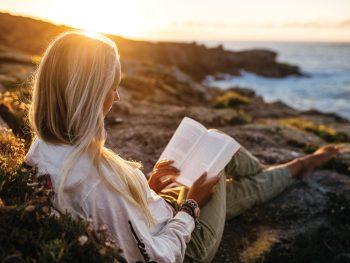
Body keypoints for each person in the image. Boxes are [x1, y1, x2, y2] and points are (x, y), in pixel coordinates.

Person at [24, 31, 339, 263]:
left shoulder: (46, 146)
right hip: (185, 248)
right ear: (88, 94)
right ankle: (284, 167)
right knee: (216, 154)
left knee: (231, 189)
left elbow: (117, 218)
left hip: (159, 217)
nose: (116, 97)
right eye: (112, 87)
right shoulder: (90, 183)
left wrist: (145, 188)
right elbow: (158, 256)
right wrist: (191, 207)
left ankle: (285, 169)